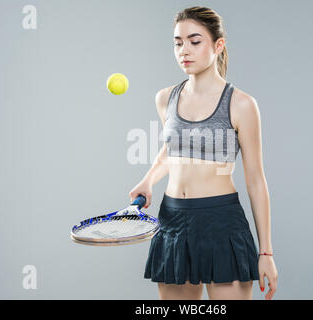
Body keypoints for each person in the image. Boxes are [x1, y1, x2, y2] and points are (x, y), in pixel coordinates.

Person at [129, 6, 278, 300]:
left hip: (221, 222)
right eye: (178, 42)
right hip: (172, 221)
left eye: (195, 41)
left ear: (217, 45)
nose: (184, 50)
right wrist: (148, 181)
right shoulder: (165, 98)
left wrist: (266, 252)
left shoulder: (241, 104)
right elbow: (173, 152)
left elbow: (256, 182)